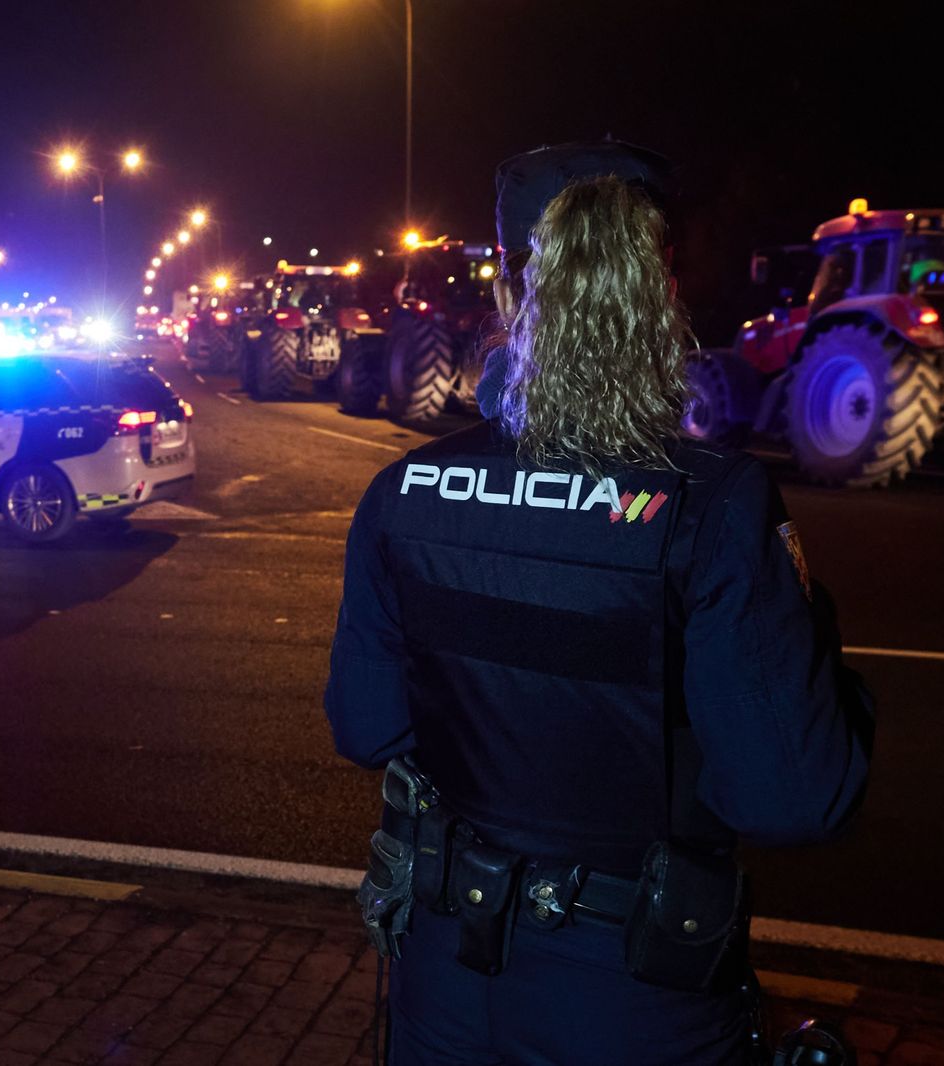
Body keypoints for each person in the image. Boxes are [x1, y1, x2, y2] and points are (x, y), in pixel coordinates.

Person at [324, 140, 874, 1065]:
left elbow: (363, 726)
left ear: (508, 291)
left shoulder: (405, 492)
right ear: (660, 290)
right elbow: (793, 797)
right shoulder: (713, 505)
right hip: (636, 995)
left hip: (448, 978)